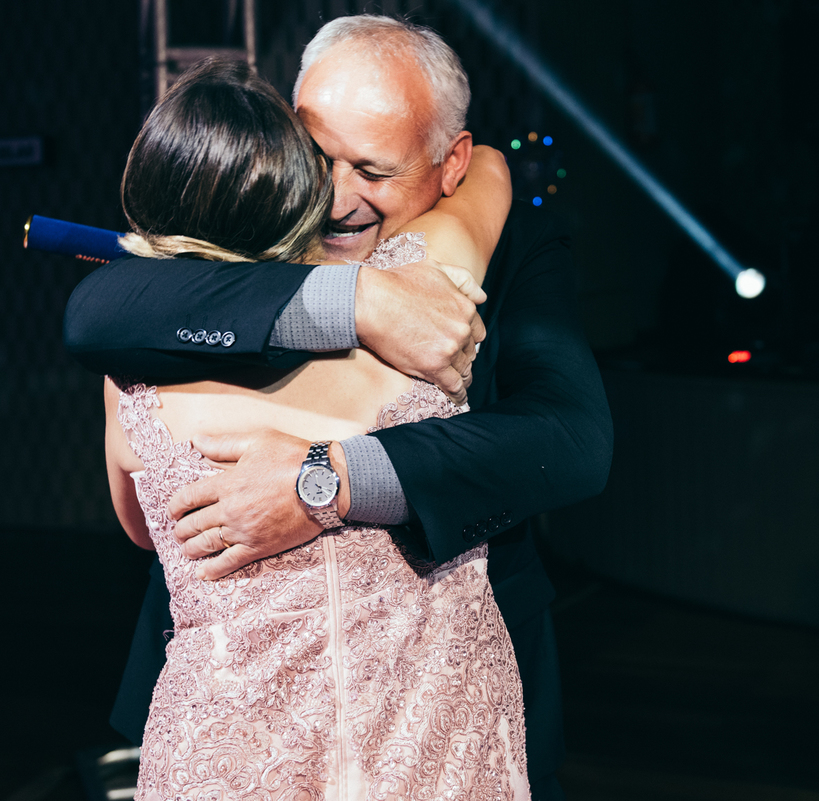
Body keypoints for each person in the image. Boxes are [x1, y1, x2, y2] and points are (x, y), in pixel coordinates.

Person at [64, 16, 613, 800]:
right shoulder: (258, 224)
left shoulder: (513, 247)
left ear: (452, 162)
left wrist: (327, 478)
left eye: (372, 169)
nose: (334, 196)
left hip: (444, 714)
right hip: (240, 715)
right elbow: (95, 312)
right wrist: (358, 301)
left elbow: (571, 438)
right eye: (318, 156)